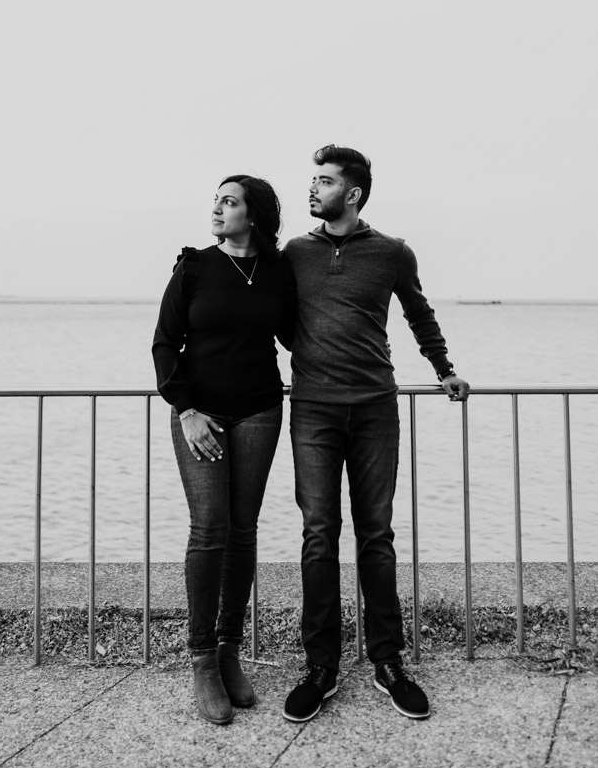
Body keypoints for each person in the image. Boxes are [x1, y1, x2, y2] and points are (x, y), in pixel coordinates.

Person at [282, 144, 469, 724]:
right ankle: (321, 667)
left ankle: (389, 662)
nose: (313, 189)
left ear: (353, 193)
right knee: (318, 535)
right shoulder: (294, 252)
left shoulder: (392, 252)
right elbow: (273, 318)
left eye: (324, 181)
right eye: (312, 180)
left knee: (377, 536)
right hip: (312, 409)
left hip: (373, 410)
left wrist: (444, 370)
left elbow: (419, 313)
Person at [152, 174, 296, 726]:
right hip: (201, 415)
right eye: (215, 201)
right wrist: (186, 411)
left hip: (260, 409)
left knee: (243, 529)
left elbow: (296, 335)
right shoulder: (193, 267)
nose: (217, 209)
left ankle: (231, 648)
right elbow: (165, 344)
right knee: (209, 526)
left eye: (229, 202)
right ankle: (201, 658)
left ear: (253, 214)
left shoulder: (277, 272)